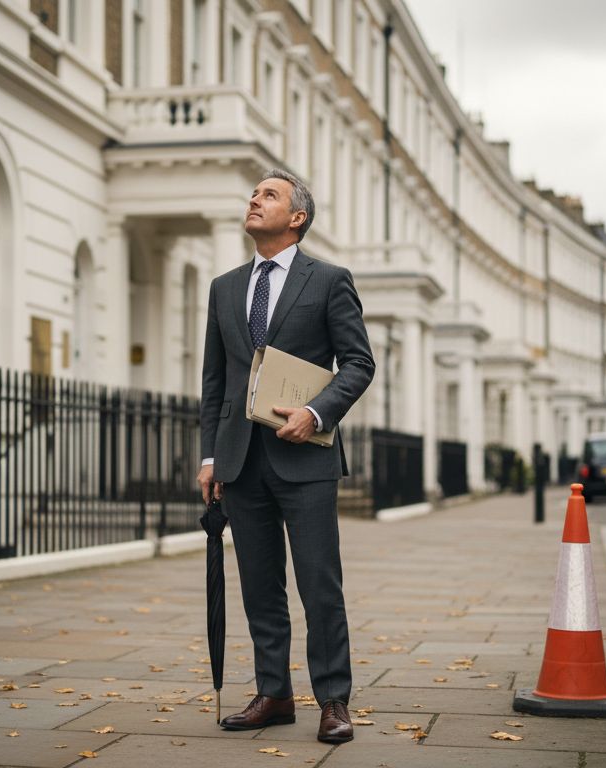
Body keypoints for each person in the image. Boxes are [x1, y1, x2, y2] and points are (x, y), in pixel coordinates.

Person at [197, 169, 374, 745]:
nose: (255, 199)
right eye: (254, 193)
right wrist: (209, 458)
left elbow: (358, 363)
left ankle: (333, 700)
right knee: (259, 585)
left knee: (320, 584)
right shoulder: (224, 287)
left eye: (268, 194)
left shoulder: (328, 280)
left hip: (305, 459)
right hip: (241, 461)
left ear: (297, 217)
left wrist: (318, 412)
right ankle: (273, 692)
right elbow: (216, 381)